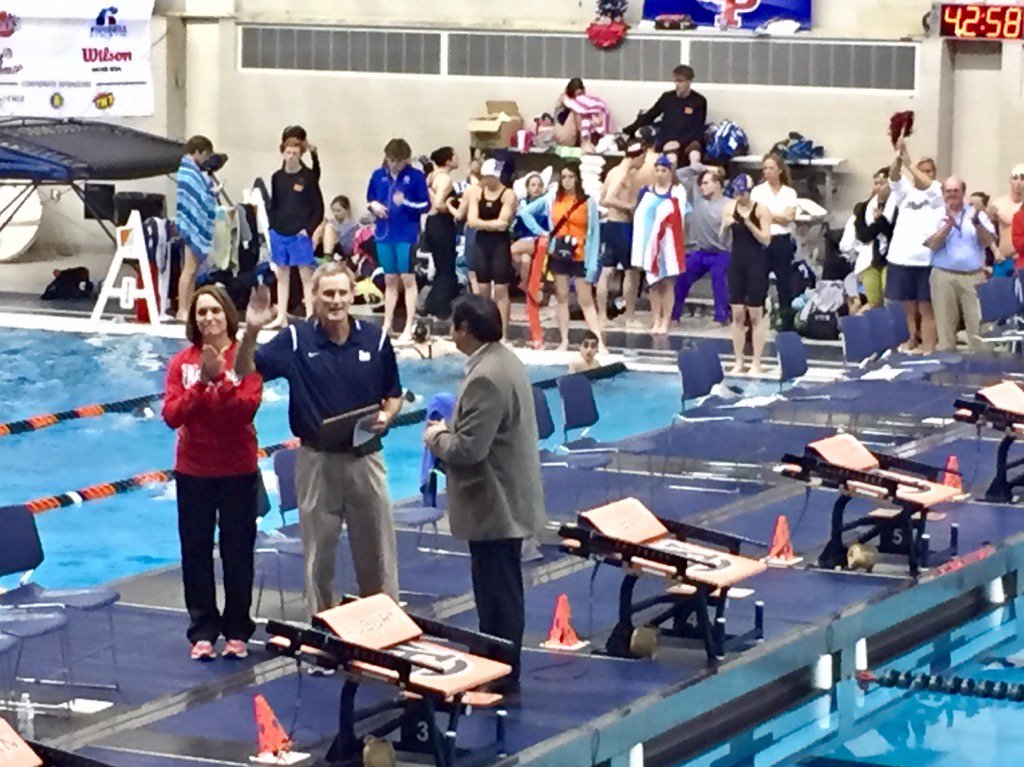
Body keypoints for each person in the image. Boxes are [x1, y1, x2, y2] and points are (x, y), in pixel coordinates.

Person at [235, 262, 403, 614]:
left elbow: (393, 392)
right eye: (328, 293)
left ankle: (385, 630)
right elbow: (244, 370)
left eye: (342, 292)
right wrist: (251, 331)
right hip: (316, 463)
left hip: (367, 460)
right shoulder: (296, 339)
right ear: (315, 297)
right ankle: (324, 631)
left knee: (378, 554)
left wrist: (388, 416)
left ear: (353, 294)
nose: (336, 300)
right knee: (319, 559)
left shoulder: (376, 338)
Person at [423, 295, 547, 698]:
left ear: (465, 329)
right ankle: (497, 657)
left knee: (498, 594)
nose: (450, 333)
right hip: (508, 496)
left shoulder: (485, 377)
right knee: (501, 588)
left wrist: (437, 436)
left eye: (454, 326)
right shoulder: (505, 361)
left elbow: (469, 449)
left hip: (495, 503)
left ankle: (502, 668)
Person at [162, 285, 262, 660]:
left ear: (227, 316)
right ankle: (202, 629)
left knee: (238, 552)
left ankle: (238, 628)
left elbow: (244, 409)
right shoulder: (181, 363)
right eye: (201, 312)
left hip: (237, 468)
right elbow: (172, 416)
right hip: (194, 471)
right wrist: (201, 385)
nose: (208, 318)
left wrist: (217, 381)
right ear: (194, 319)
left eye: (215, 311)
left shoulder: (245, 357)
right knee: (196, 552)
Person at [519, 163, 603, 351]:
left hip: (580, 254)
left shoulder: (588, 202)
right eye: (563, 177)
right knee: (562, 297)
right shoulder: (552, 199)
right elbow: (525, 212)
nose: (567, 181)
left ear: (577, 179)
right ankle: (564, 339)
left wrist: (592, 264)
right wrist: (541, 232)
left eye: (570, 177)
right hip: (559, 252)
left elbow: (594, 234)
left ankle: (599, 340)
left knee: (585, 299)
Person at [367, 138, 430, 343]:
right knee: (389, 279)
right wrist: (374, 206)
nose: (394, 165)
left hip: (406, 234)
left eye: (399, 161)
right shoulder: (378, 175)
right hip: (384, 233)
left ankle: (408, 326)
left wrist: (406, 203)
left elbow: (425, 205)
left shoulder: (416, 176)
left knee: (407, 278)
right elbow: (370, 199)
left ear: (406, 160)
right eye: (391, 160)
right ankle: (387, 324)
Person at [924, 176, 995, 352]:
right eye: (948, 191)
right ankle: (946, 376)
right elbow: (932, 244)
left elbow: (988, 241)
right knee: (945, 331)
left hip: (974, 276)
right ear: (942, 193)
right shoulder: (935, 214)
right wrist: (948, 224)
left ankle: (981, 373)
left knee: (979, 329)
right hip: (943, 276)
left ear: (963, 192)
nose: (952, 194)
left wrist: (977, 223)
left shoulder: (976, 213)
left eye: (956, 190)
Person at [885, 138, 943, 354]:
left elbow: (927, 183)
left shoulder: (937, 192)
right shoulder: (906, 192)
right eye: (923, 170)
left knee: (926, 307)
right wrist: (898, 158)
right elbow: (893, 178)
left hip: (926, 260)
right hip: (901, 258)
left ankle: (929, 348)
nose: (925, 174)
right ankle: (912, 339)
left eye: (929, 171)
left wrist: (910, 164)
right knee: (907, 306)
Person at [268, 136, 323, 326]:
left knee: (305, 275)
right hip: (280, 231)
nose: (291, 157)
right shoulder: (277, 177)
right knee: (281, 275)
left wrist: (308, 230)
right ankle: (281, 315)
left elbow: (318, 207)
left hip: (300, 232)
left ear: (300, 155)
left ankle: (310, 315)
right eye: (288, 153)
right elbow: (274, 204)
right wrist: (272, 227)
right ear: (282, 153)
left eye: (295, 154)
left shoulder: (307, 177)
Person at [632, 155, 688, 335]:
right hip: (650, 245)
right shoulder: (646, 191)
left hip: (668, 244)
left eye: (664, 170)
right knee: (654, 284)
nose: (660, 174)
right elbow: (639, 218)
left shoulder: (677, 191)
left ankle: (666, 320)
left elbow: (680, 218)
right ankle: (656, 319)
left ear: (670, 172)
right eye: (657, 170)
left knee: (667, 284)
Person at [722, 174, 772, 375]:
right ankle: (738, 361)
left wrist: (749, 223)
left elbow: (766, 240)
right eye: (737, 193)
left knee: (755, 315)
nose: (739, 196)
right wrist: (725, 226)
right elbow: (723, 239)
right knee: (737, 314)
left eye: (742, 193)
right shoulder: (729, 208)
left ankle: (757, 362)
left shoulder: (761, 210)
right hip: (737, 263)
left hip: (756, 264)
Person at [673, 154, 731, 326]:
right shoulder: (698, 197)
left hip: (721, 252)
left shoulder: (728, 204)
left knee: (718, 276)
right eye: (702, 183)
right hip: (701, 251)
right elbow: (679, 175)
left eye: (706, 183)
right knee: (682, 277)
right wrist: (699, 168)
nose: (702, 186)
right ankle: (674, 315)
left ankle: (721, 317)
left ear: (717, 183)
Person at [464, 159, 517, 335]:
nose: (483, 180)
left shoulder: (508, 194)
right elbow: (471, 221)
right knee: (483, 289)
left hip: (500, 245)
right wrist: (493, 224)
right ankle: (484, 331)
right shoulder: (477, 192)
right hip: (482, 244)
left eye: (487, 177)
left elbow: (504, 222)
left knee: (501, 289)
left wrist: (483, 223)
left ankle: (503, 333)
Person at [598, 143, 645, 329]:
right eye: (643, 158)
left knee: (607, 270)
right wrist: (629, 207)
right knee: (631, 271)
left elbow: (601, 198)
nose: (643, 162)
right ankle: (630, 316)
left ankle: (602, 316)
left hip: (611, 225)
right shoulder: (622, 174)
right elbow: (608, 198)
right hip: (622, 226)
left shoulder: (613, 171)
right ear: (637, 156)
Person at [750, 152, 799, 331]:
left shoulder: (789, 192)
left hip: (782, 240)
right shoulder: (757, 192)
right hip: (763, 241)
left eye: (771, 168)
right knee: (759, 282)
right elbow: (757, 216)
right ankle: (758, 321)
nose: (767, 172)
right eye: (765, 168)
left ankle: (786, 321)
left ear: (779, 170)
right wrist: (775, 216)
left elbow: (789, 218)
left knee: (784, 283)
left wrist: (770, 215)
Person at [175, 135, 218, 322]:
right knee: (189, 269)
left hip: (192, 223)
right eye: (205, 154)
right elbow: (195, 197)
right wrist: (210, 191)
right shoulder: (188, 172)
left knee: (192, 270)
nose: (206, 159)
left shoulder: (192, 171)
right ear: (198, 151)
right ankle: (181, 309)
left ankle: (187, 307)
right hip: (191, 224)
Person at [624, 65, 707, 158]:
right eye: (675, 81)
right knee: (671, 157)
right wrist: (629, 129)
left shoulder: (699, 101)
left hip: (689, 140)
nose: (677, 84)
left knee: (694, 155)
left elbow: (698, 127)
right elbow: (650, 115)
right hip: (667, 139)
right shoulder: (667, 97)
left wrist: (680, 142)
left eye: (680, 81)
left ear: (689, 81)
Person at [847, 167, 895, 309]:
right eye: (876, 183)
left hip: (890, 258)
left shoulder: (898, 207)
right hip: (869, 258)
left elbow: (894, 235)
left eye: (882, 183)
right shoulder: (864, 208)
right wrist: (879, 223)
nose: (878, 188)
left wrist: (882, 221)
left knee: (889, 299)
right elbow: (863, 236)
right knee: (873, 300)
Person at [422, 146, 462, 319]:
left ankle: (434, 302)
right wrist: (452, 206)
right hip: (441, 222)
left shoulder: (431, 176)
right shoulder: (444, 179)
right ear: (448, 160)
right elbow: (439, 204)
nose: (458, 159)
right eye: (455, 156)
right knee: (446, 266)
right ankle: (439, 306)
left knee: (442, 266)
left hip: (431, 223)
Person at [554, 77, 612, 152]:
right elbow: (560, 123)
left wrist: (593, 116)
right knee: (578, 113)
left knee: (583, 114)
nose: (579, 98)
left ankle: (585, 141)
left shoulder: (587, 101)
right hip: (568, 137)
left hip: (589, 136)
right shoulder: (563, 105)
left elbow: (591, 108)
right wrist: (572, 108)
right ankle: (585, 142)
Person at [989, 165, 1024, 272]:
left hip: (1021, 259)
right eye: (1015, 178)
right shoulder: (998, 205)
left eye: (1022, 179)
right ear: (1010, 181)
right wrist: (995, 251)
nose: (1018, 183)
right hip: (1002, 259)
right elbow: (986, 231)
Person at [317, 195, 358, 262]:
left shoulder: (353, 226)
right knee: (323, 224)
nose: (335, 214)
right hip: (327, 249)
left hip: (341, 251)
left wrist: (337, 234)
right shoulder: (331, 221)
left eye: (338, 211)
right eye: (333, 211)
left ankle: (327, 258)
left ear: (347, 209)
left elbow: (350, 247)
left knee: (329, 227)